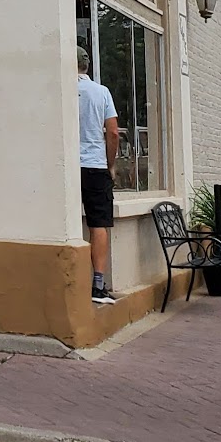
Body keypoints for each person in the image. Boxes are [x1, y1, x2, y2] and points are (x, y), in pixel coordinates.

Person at [77, 47, 120, 305]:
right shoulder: (101, 92)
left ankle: (69, 281)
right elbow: (112, 132)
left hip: (69, 166)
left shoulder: (62, 90)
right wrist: (110, 164)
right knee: (98, 223)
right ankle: (98, 284)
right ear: (87, 65)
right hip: (95, 164)